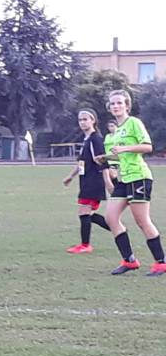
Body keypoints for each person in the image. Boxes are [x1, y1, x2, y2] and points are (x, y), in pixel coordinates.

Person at [97, 89, 166, 276]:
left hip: (139, 176)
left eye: (119, 103)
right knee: (111, 218)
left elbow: (148, 146)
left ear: (127, 105)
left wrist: (125, 148)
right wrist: (106, 160)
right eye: (112, 104)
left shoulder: (134, 123)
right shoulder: (114, 133)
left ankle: (161, 262)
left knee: (142, 221)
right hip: (123, 178)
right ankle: (129, 261)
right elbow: (119, 157)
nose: (116, 106)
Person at [62, 109, 112, 254]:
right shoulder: (86, 140)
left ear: (93, 121)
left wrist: (107, 181)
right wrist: (70, 176)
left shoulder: (95, 139)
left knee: (84, 212)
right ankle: (117, 228)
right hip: (86, 181)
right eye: (80, 120)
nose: (82, 122)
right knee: (87, 214)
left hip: (94, 181)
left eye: (85, 119)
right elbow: (81, 163)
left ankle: (85, 245)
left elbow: (102, 161)